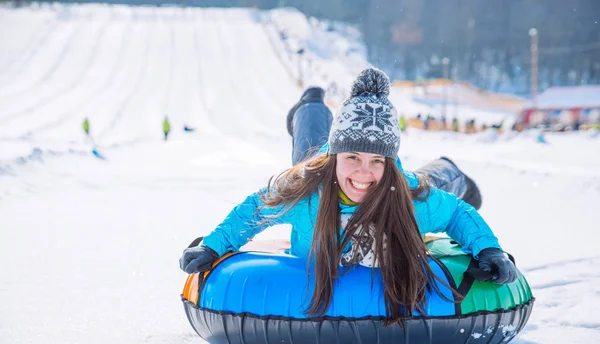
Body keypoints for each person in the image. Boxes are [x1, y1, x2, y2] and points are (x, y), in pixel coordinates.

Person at [180, 68, 517, 324]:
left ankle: (449, 168)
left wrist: (488, 249)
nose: (363, 172)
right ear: (336, 158)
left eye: (376, 161)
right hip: (320, 178)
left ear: (389, 162)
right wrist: (213, 245)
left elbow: (456, 213)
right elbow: (253, 211)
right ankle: (309, 108)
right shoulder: (306, 192)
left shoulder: (406, 193)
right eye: (352, 157)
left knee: (426, 184)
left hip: (403, 185)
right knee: (304, 165)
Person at [286, 86, 333, 165]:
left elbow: (289, 121)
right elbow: (332, 129)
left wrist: (296, 133)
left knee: (300, 169)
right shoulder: (325, 110)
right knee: (319, 166)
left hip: (301, 147)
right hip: (321, 151)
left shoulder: (299, 107)